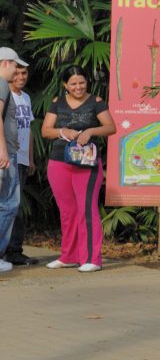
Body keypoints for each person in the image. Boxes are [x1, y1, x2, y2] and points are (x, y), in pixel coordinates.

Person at [39, 65, 116, 273]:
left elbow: (111, 127)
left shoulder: (96, 102)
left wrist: (90, 130)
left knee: (87, 210)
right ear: (65, 85)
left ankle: (92, 258)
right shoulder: (57, 102)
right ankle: (69, 256)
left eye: (81, 82)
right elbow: (45, 130)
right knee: (68, 211)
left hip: (87, 163)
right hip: (58, 162)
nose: (78, 86)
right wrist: (62, 131)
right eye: (73, 83)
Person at [5, 63, 38, 265]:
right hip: (9, 158)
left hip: (23, 160)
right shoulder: (4, 95)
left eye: (24, 72)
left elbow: (30, 130)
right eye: (16, 72)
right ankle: (10, 251)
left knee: (16, 206)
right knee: (10, 206)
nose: (20, 76)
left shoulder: (25, 97)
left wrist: (31, 158)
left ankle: (14, 250)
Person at [0, 47, 29, 273]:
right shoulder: (1, 83)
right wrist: (3, 149)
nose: (15, 72)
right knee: (9, 204)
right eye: (13, 66)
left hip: (11, 151)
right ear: (5, 63)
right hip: (5, 156)